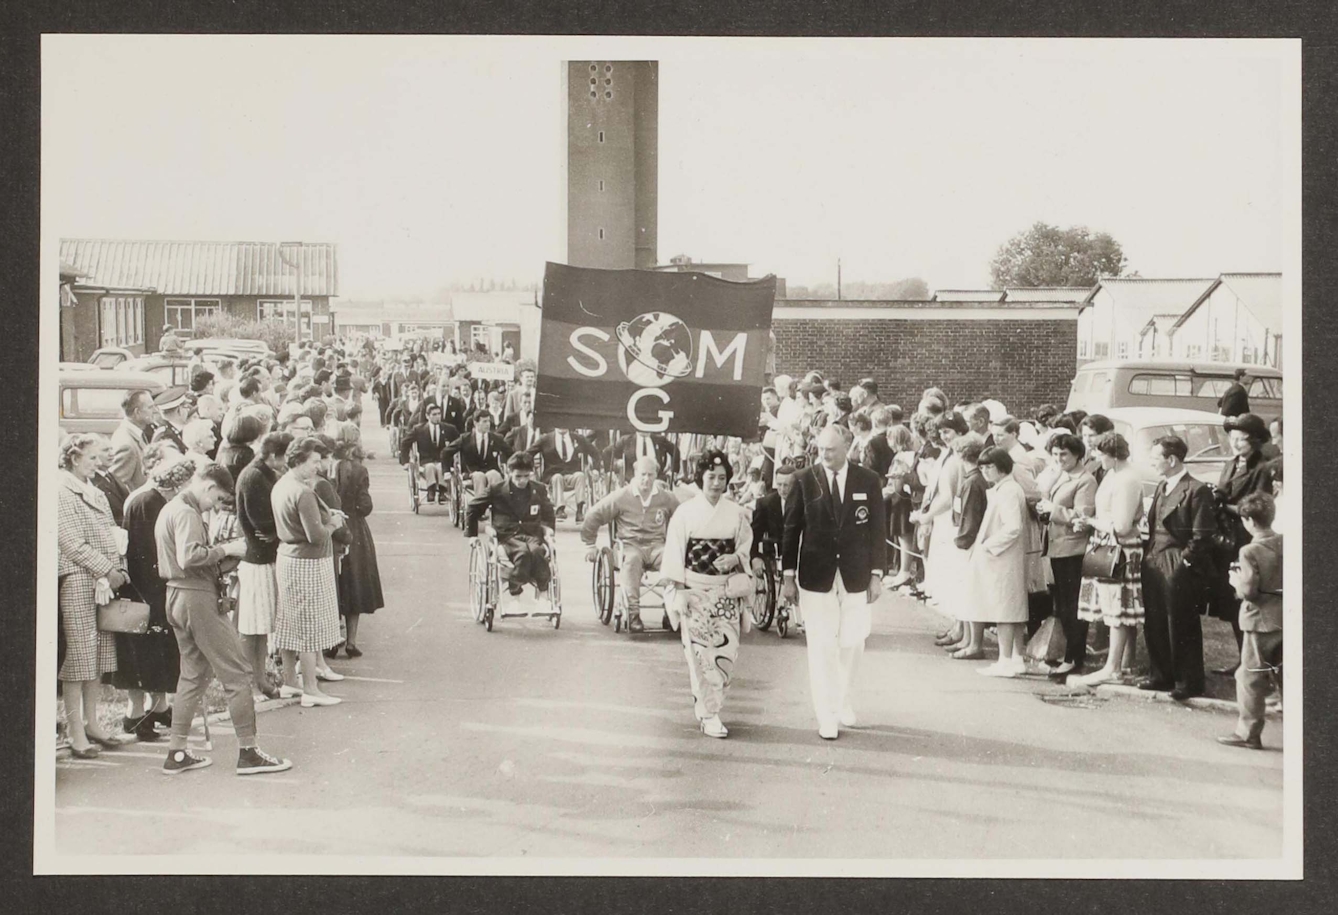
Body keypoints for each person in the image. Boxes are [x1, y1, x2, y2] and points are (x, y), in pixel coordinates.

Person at [155, 462, 292, 776]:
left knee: (192, 674)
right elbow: (189, 557)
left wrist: (221, 557)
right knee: (238, 674)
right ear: (207, 486)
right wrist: (227, 548)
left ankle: (176, 753)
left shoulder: (171, 508)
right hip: (196, 597)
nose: (215, 506)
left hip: (177, 595)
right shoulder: (188, 512)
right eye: (216, 499)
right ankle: (248, 752)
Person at [781, 424, 886, 739]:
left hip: (856, 574)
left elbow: (878, 529)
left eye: (832, 449)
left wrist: (877, 574)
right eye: (821, 449)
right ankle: (826, 714)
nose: (824, 455)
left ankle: (843, 700)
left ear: (848, 447)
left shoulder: (868, 480)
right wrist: (787, 576)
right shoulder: (803, 480)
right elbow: (791, 530)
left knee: (853, 642)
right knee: (822, 646)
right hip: (816, 575)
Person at [662, 450, 754, 739]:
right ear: (700, 478)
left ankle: (713, 707)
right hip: (696, 591)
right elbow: (674, 554)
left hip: (725, 592)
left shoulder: (736, 512)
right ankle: (708, 713)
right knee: (701, 658)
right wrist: (678, 592)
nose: (716, 483)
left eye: (722, 478)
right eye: (711, 477)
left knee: (725, 655)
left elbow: (745, 547)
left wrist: (735, 558)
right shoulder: (685, 512)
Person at [57, 434, 134, 759]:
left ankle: (93, 724)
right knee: (79, 659)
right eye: (90, 458)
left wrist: (118, 568)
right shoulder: (61, 490)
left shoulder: (96, 491)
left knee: (98, 657)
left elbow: (109, 533)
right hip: (78, 580)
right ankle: (75, 733)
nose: (96, 463)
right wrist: (106, 569)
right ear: (75, 459)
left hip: (102, 581)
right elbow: (71, 542)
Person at [112, 454, 195, 742]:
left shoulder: (158, 500)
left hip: (156, 588)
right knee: (142, 656)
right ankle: (135, 713)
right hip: (143, 591)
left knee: (158, 653)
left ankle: (158, 706)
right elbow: (144, 553)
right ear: (177, 483)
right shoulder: (147, 502)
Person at [1139, 435, 1218, 701]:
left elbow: (1203, 534)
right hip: (1153, 559)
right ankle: (1161, 675)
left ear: (1171, 460)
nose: (1152, 463)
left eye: (1155, 458)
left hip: (1176, 561)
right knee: (1155, 619)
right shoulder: (1163, 487)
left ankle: (1188, 681)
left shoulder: (1196, 490)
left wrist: (1184, 561)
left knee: (1180, 622)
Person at [271, 437, 347, 708]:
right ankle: (311, 690)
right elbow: (315, 536)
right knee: (309, 626)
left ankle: (290, 682)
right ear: (299, 461)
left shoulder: (282, 484)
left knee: (289, 624)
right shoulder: (302, 492)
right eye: (314, 461)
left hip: (288, 558)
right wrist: (333, 524)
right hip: (309, 562)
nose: (318, 466)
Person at [1068, 433, 1146, 687]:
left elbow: (1122, 526)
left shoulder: (1127, 479)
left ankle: (1113, 668)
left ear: (1113, 455)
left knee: (1118, 609)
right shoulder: (1114, 475)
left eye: (1101, 454)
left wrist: (1090, 522)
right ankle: (1124, 664)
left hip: (1119, 550)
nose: (1098, 458)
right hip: (1108, 546)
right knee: (1115, 608)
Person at [581, 455, 680, 633]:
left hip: (657, 545)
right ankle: (633, 613)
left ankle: (670, 611)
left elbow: (683, 518)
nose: (646, 479)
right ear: (634, 473)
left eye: (650, 475)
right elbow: (593, 515)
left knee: (672, 559)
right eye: (642, 474)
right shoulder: (621, 496)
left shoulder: (666, 498)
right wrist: (589, 544)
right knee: (632, 560)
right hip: (629, 545)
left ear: (656, 475)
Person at [1210, 413, 1277, 665]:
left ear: (1256, 441)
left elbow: (1258, 507)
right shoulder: (1231, 463)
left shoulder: (1262, 468)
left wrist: (1224, 505)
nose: (1236, 444)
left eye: (1242, 440)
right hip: (1225, 540)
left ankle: (1253, 661)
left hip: (1245, 538)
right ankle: (1242, 658)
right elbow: (1224, 491)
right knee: (1230, 602)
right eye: (1233, 438)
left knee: (1246, 599)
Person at [1218, 492, 1283, 750]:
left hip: (1258, 620)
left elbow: (1248, 591)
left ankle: (1248, 733)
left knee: (1249, 677)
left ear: (1249, 521)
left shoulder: (1249, 551)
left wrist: (1235, 581)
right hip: (1284, 618)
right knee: (1285, 677)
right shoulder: (1285, 543)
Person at [961, 447, 1031, 677]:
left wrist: (988, 546)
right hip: (1004, 558)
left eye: (989, 466)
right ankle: (1016, 659)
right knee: (1012, 608)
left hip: (1002, 558)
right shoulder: (1005, 488)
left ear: (1002, 466)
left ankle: (1006, 661)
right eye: (981, 467)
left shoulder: (1009, 490)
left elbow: (1013, 527)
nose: (985, 471)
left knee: (1005, 611)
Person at [234, 431, 292, 701]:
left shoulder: (265, 473)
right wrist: (281, 529)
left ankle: (258, 679)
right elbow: (262, 523)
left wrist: (276, 530)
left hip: (265, 558)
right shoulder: (254, 476)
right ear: (273, 456)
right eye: (285, 457)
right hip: (256, 561)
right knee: (251, 627)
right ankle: (250, 683)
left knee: (260, 627)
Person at [1035, 433, 1098, 677]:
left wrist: (1054, 510)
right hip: (1057, 547)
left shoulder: (1085, 480)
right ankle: (1065, 653)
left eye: (1064, 454)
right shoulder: (1062, 474)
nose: (1059, 458)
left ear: (1077, 455)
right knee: (1062, 604)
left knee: (1072, 605)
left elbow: (1082, 518)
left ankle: (1074, 657)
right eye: (1055, 454)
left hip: (1073, 549)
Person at [464, 451, 557, 615]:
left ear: (531, 474)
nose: (522, 480)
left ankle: (543, 597)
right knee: (523, 553)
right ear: (509, 473)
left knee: (537, 552)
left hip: (532, 534)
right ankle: (515, 598)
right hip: (507, 536)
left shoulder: (538, 489)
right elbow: (473, 508)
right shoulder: (497, 489)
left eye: (526, 476)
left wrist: (548, 530)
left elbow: (549, 513)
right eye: (518, 476)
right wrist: (473, 535)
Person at [334, 440, 384, 657]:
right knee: (354, 583)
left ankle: (331, 639)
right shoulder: (359, 471)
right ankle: (351, 641)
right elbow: (366, 505)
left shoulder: (329, 468)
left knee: (335, 585)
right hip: (353, 527)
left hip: (332, 527)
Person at [946, 441, 989, 658]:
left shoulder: (973, 482)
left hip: (970, 543)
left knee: (972, 593)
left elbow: (970, 517)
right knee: (967, 593)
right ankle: (967, 639)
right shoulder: (974, 479)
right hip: (971, 541)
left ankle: (974, 643)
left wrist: (961, 542)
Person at [750, 460, 801, 630]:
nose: (783, 489)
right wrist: (755, 558)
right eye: (779, 484)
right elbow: (754, 534)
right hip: (776, 549)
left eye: (787, 485)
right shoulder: (765, 504)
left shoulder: (804, 502)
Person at [528, 427, 601, 521]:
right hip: (552, 475)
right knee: (557, 477)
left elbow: (595, 453)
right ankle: (559, 509)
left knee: (580, 475)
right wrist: (529, 469)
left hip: (572, 474)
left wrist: (596, 469)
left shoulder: (578, 438)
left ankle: (580, 510)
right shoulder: (545, 439)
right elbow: (529, 453)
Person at [398, 402, 460, 503]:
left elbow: (460, 442)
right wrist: (405, 461)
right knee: (430, 467)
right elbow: (404, 443)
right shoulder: (418, 429)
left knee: (440, 467)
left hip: (443, 461)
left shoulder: (449, 429)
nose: (437, 417)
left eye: (439, 414)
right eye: (434, 414)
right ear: (427, 416)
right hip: (426, 461)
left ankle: (442, 491)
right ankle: (431, 490)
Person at [451, 410, 511, 497]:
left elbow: (510, 453)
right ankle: (480, 505)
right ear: (476, 423)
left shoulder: (496, 438)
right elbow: (446, 452)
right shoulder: (465, 439)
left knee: (494, 474)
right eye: (484, 421)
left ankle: (498, 505)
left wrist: (512, 467)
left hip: (491, 469)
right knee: (479, 476)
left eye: (489, 421)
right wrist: (447, 471)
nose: (488, 424)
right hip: (472, 471)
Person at [110, 389, 155, 491]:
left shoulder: (136, 434)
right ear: (137, 412)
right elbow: (116, 488)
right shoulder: (126, 444)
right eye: (150, 407)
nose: (155, 410)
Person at [90, 435, 130, 525]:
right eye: (105, 450)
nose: (111, 453)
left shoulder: (111, 476)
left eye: (111, 449)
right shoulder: (92, 482)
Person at [150, 387, 192, 454]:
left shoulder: (172, 431)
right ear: (179, 411)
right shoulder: (165, 436)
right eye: (186, 407)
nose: (188, 410)